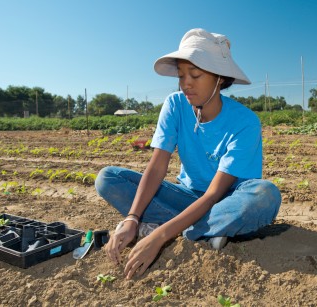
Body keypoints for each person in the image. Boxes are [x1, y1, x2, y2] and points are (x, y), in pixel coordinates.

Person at [95, 28, 282, 279]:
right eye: (181, 76)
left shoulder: (245, 122)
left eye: (195, 74)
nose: (186, 84)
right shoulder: (174, 105)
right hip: (188, 198)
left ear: (219, 78)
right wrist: (131, 217)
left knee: (265, 194)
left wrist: (159, 237)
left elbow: (215, 193)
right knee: (108, 178)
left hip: (228, 203)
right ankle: (207, 232)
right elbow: (158, 165)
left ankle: (167, 227)